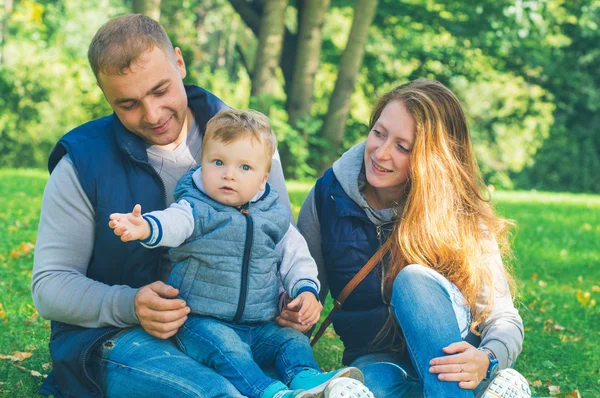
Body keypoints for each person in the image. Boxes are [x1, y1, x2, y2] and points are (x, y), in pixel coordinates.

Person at [31, 14, 298, 397]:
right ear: (106, 97)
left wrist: (291, 297)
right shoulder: (82, 163)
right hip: (120, 338)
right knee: (216, 393)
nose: (152, 115)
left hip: (234, 332)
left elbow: (280, 240)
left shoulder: (249, 146)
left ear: (179, 62)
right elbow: (50, 285)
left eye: (161, 91)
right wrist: (129, 304)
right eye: (128, 104)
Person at [107, 109, 371, 398]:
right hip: (200, 322)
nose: (229, 175)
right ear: (202, 164)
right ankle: (268, 392)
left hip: (258, 324)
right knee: (229, 350)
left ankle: (305, 379)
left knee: (290, 341)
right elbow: (173, 223)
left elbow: (297, 256)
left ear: (263, 178)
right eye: (218, 162)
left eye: (244, 167)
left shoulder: (273, 216)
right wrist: (145, 226)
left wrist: (305, 290)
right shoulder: (196, 208)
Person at [298, 79, 531, 398]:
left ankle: (471, 387)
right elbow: (303, 286)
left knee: (414, 280)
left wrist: (487, 359)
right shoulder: (328, 197)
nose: (380, 153)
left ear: (430, 158)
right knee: (348, 389)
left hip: (452, 358)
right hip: (378, 362)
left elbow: (502, 316)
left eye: (402, 147)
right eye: (378, 133)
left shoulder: (458, 209)